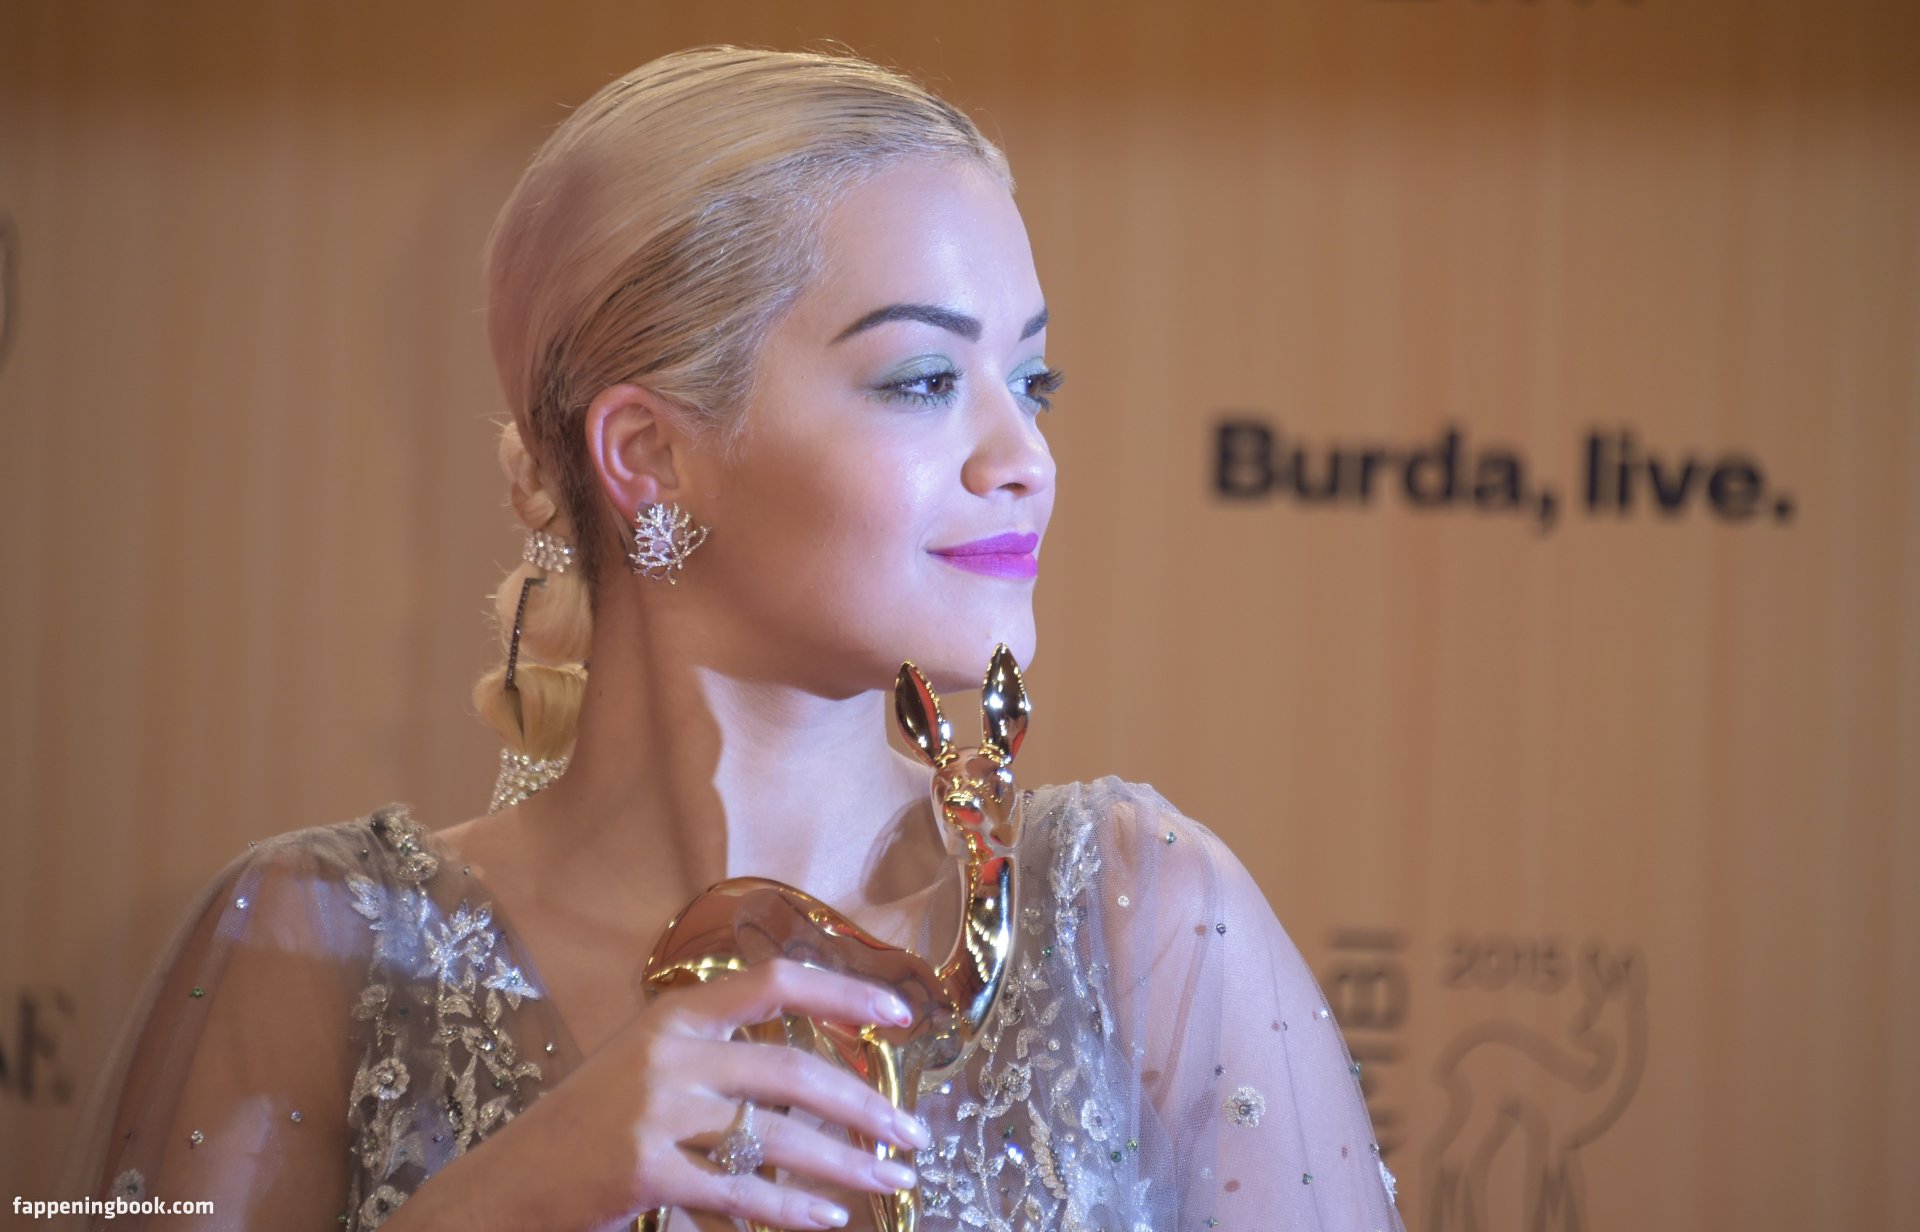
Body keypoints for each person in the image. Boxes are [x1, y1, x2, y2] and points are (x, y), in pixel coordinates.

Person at [55, 45, 1402, 1232]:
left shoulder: (1130, 919)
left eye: (1031, 379)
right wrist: (507, 1204)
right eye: (924, 380)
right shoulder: (320, 946)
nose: (1025, 456)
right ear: (649, 454)